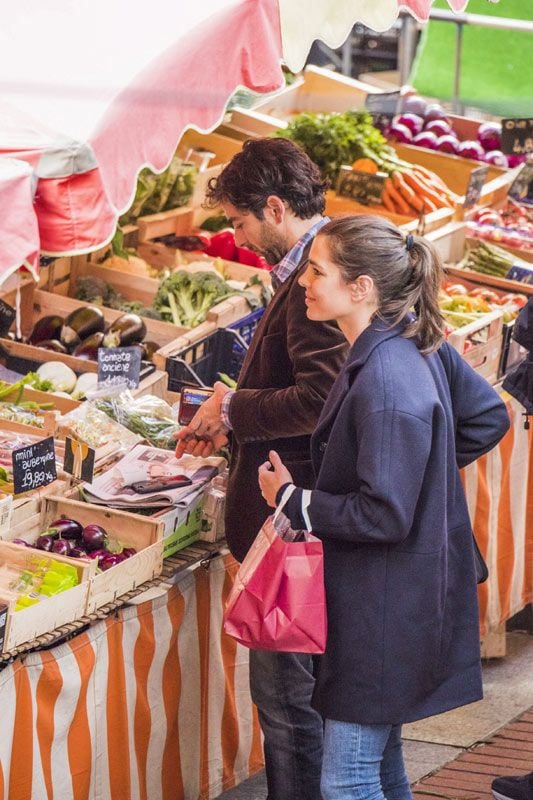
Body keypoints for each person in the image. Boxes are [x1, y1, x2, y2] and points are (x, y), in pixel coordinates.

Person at [258, 214, 510, 800]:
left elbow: (383, 515)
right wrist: (421, 469)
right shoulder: (408, 340)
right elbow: (483, 417)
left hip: (384, 607)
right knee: (382, 763)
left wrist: (294, 500)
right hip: (397, 596)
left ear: (362, 286)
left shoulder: (387, 382)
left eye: (316, 271)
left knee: (347, 779)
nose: (302, 282)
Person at [175, 138, 348, 800]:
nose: (239, 239)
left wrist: (237, 410)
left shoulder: (316, 282)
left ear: (275, 208)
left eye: (241, 223)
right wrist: (228, 408)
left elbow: (320, 398)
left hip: (295, 525)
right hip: (305, 513)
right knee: (306, 705)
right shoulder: (325, 265)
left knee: (288, 709)